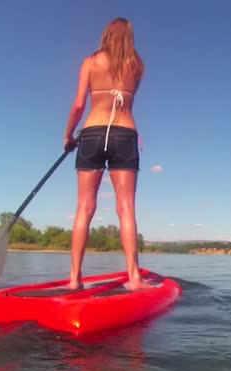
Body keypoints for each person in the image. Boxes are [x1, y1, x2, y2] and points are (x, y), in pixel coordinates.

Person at [62, 17, 153, 291]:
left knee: (84, 207)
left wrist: (68, 135)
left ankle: (75, 279)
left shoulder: (90, 62)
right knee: (126, 207)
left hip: (91, 133)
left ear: (106, 35)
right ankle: (134, 278)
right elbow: (125, 103)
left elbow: (79, 104)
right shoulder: (137, 66)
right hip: (125, 134)